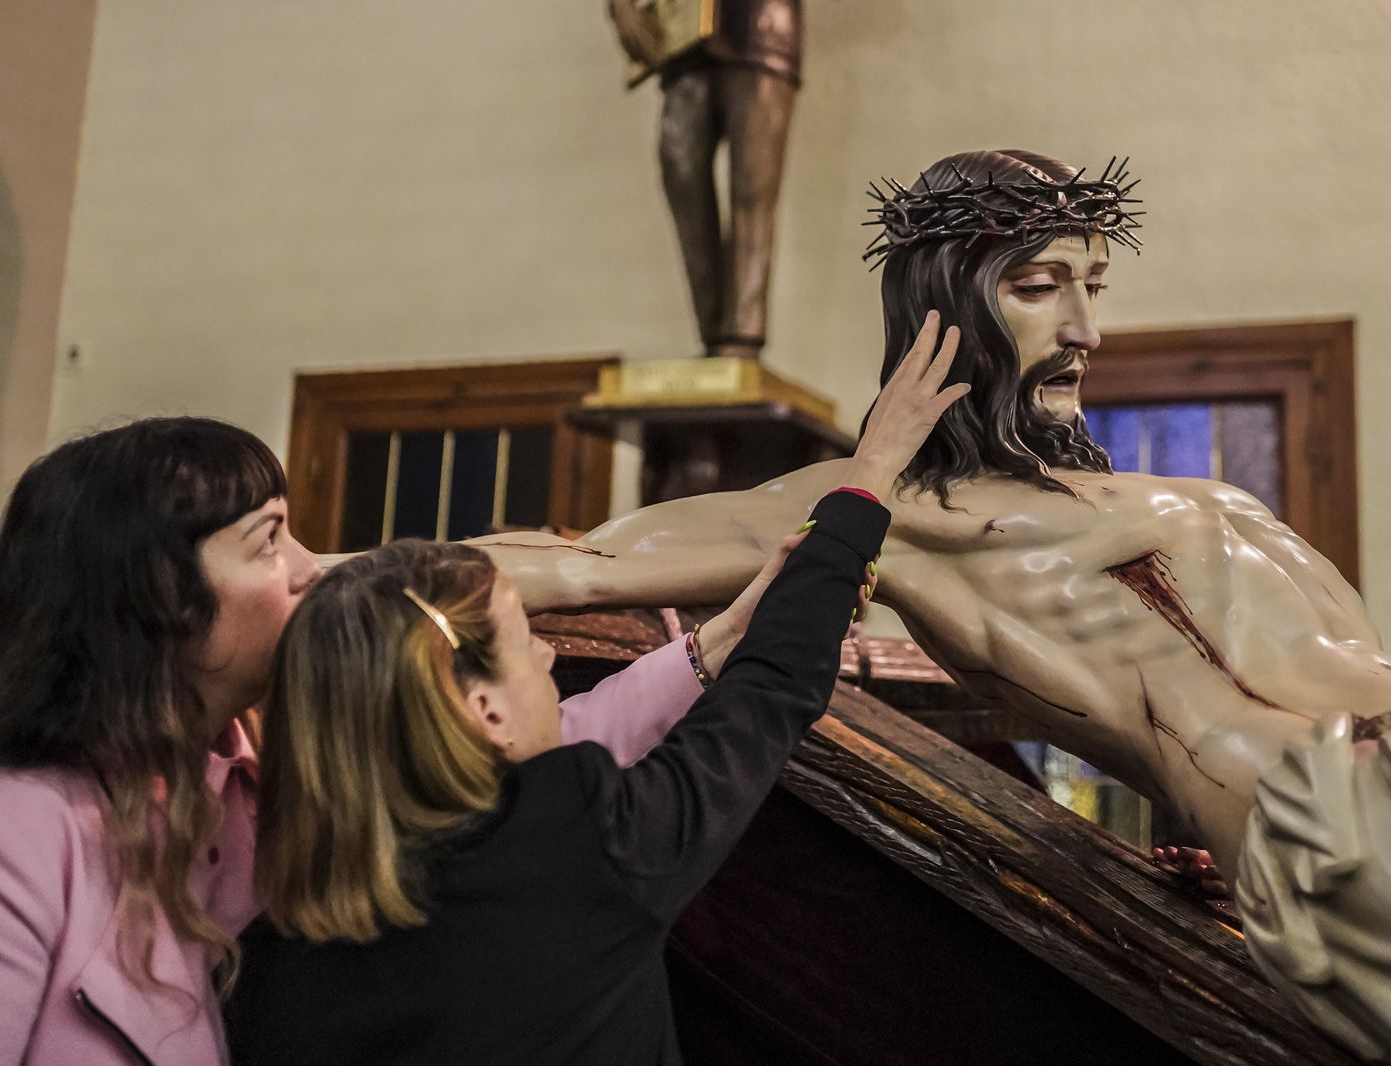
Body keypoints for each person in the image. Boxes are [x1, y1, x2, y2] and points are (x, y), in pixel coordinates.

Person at [469, 149, 1391, 1065]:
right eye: (1036, 286)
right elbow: (583, 567)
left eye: (1093, 288)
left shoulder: (1196, 499)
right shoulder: (905, 512)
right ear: (944, 312)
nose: (1085, 329)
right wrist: (304, 567)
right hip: (1358, 824)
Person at [222, 320, 965, 1065]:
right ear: (483, 710)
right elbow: (770, 697)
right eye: (525, 641)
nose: (550, 657)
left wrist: (732, 626)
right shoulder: (567, 844)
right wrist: (869, 475)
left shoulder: (266, 957)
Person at [0, 416, 738, 1066]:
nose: (311, 566)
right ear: (159, 601)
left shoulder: (273, 773)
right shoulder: (5, 840)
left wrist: (718, 648)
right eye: (270, 540)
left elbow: (505, 757)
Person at [606, 0, 800, 358]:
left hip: (761, 26)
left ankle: (742, 337)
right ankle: (712, 334)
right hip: (685, 34)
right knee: (681, 167)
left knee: (753, 186)